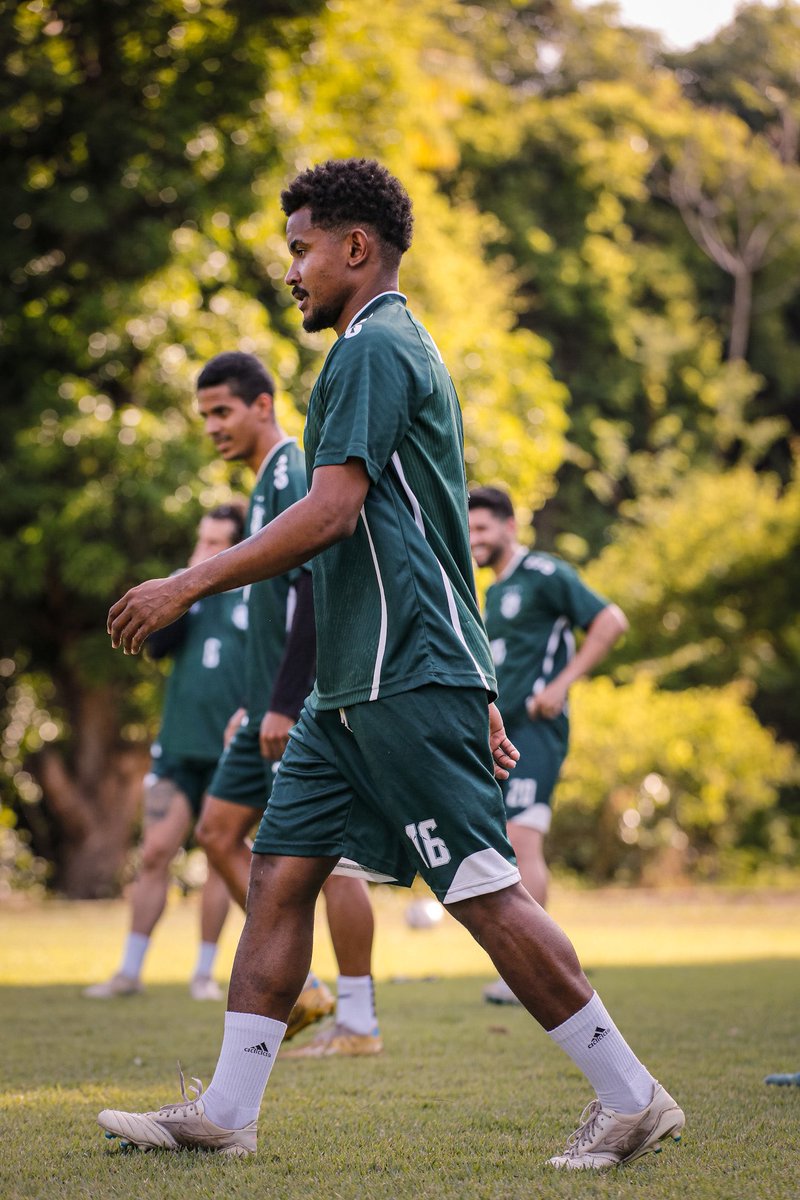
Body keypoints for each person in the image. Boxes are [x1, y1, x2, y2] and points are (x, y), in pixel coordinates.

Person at [98, 158, 684, 1170]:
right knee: (278, 877)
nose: (292, 271)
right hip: (353, 686)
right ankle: (228, 1110)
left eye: (300, 249)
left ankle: (630, 1097)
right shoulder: (385, 349)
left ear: (353, 247)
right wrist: (481, 683)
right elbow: (437, 537)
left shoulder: (370, 350)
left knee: (479, 889)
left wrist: (185, 584)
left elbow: (326, 515)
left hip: (401, 674)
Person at [191, 351, 381, 1054]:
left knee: (325, 858)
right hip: (261, 707)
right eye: (205, 415)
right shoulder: (261, 487)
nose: (213, 426)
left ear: (262, 406)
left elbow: (312, 592)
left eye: (223, 411)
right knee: (216, 831)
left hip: (300, 707)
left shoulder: (295, 469)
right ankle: (302, 988)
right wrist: (250, 700)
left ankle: (359, 1020)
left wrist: (280, 701)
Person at [468, 486, 629, 1005]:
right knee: (503, 847)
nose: (475, 538)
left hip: (536, 731)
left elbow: (611, 621)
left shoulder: (546, 575)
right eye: (468, 529)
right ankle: (528, 969)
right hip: (503, 733)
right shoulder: (492, 591)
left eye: (483, 528)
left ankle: (533, 973)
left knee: (521, 841)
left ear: (511, 527)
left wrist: (561, 685)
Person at [84, 505, 248, 1001]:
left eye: (218, 542)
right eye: (202, 540)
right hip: (179, 747)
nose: (205, 550)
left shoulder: (259, 593)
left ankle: (203, 971)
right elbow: (156, 648)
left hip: (230, 752)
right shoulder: (183, 591)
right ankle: (129, 971)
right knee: (154, 851)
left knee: (221, 855)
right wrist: (190, 583)